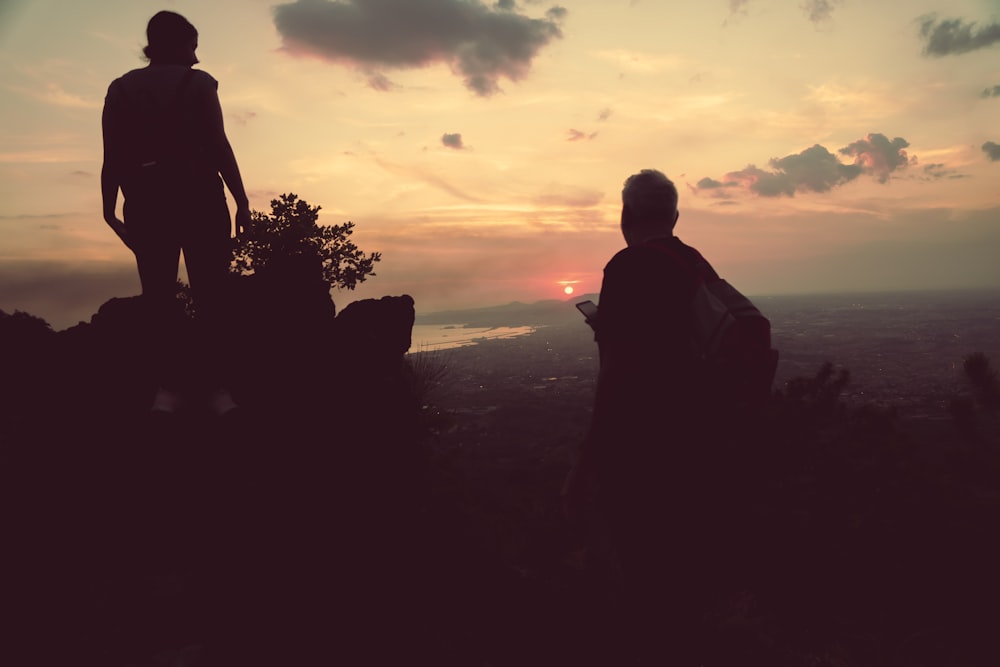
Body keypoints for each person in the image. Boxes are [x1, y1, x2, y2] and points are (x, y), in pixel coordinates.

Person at [563, 169, 733, 665]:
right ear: (675, 217)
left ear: (625, 216)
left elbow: (617, 373)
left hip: (645, 454)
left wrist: (584, 464)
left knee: (642, 583)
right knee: (682, 585)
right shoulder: (693, 263)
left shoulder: (628, 267)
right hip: (701, 446)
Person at [101, 10, 250, 415]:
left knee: (158, 298)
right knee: (213, 295)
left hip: (146, 205)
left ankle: (165, 391)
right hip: (201, 197)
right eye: (192, 46)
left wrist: (109, 209)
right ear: (174, 44)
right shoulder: (199, 83)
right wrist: (241, 200)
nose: (196, 57)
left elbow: (111, 154)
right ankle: (219, 391)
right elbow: (218, 144)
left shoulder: (120, 89)